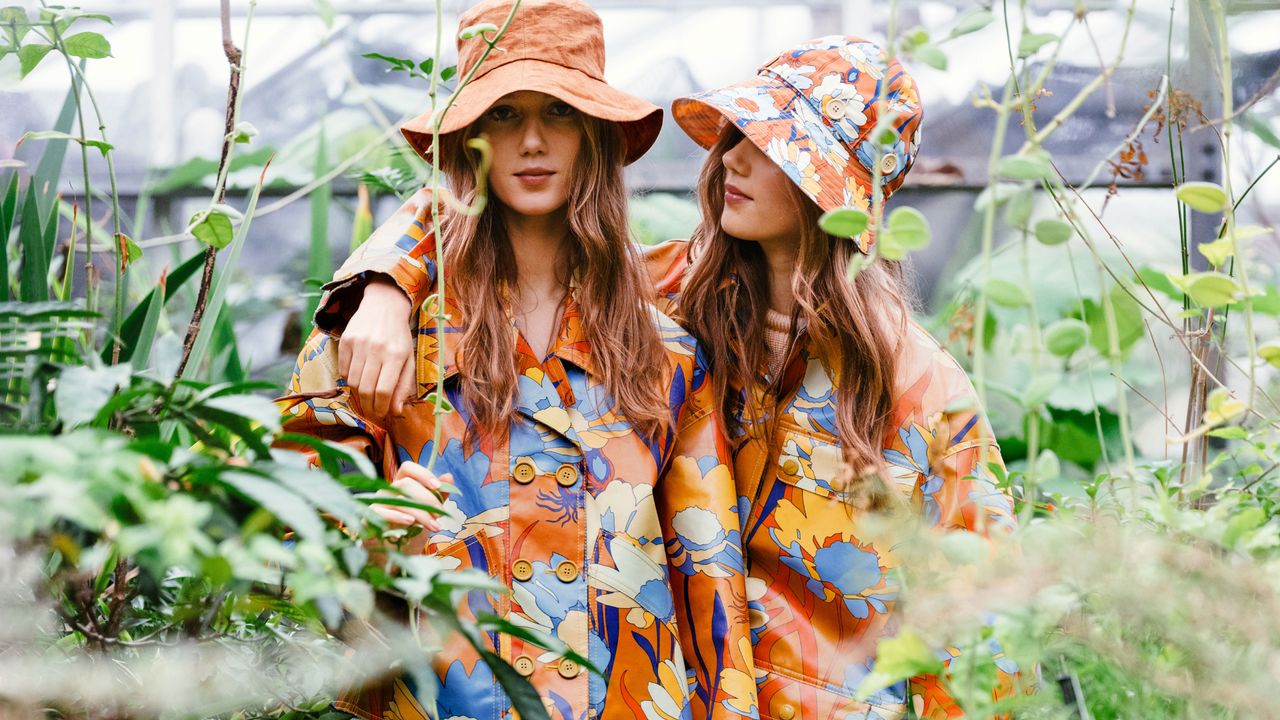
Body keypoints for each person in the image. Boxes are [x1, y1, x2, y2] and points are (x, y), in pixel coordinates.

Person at [329, 32, 1029, 720]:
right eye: (735, 138)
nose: (735, 162)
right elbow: (502, 214)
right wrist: (387, 282)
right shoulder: (675, 298)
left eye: (775, 149)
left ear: (836, 193)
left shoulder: (918, 387)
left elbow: (983, 619)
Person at [277, 2, 758, 720]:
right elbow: (288, 532)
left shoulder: (667, 354)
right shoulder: (374, 335)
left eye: (558, 113)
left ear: (595, 134)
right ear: (469, 137)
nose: (532, 141)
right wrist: (377, 538)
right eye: (504, 115)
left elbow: (710, 578)